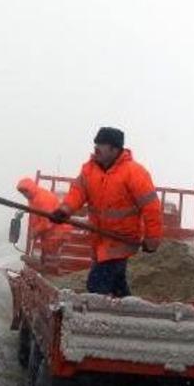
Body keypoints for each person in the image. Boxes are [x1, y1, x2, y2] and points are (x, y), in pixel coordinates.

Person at [50, 127, 163, 297]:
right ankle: (129, 310)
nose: (96, 148)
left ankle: (99, 313)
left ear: (115, 149)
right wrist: (64, 210)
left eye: (102, 144)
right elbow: (77, 193)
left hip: (121, 241)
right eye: (96, 143)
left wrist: (152, 238)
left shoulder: (134, 173)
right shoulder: (89, 170)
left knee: (96, 285)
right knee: (117, 287)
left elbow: (151, 207)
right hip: (100, 240)